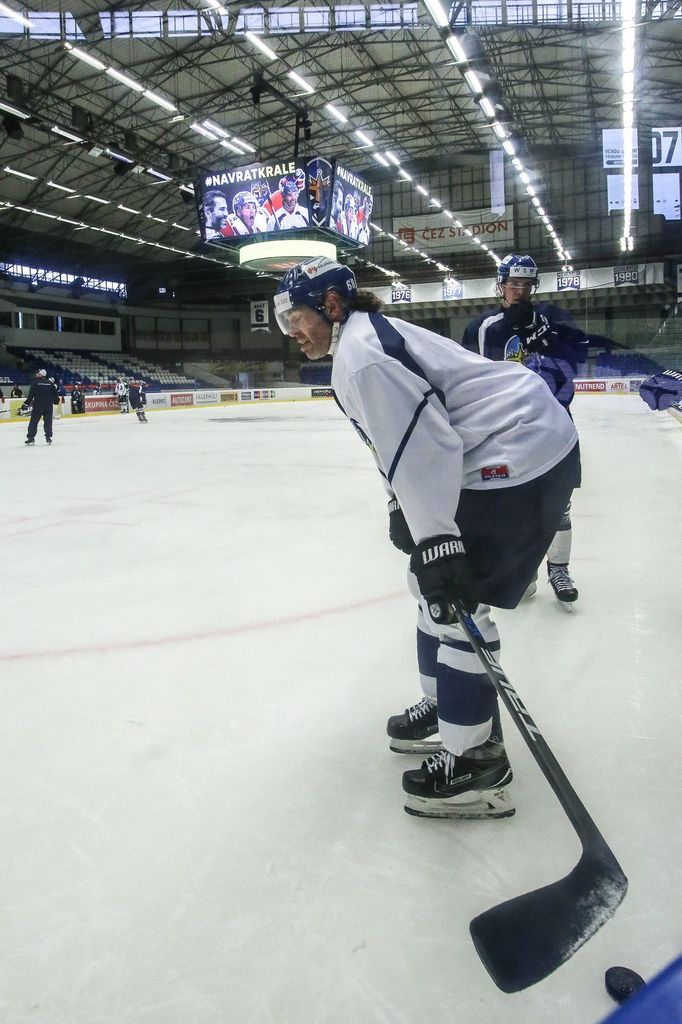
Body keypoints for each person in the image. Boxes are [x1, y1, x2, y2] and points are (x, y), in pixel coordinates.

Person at [274, 257, 580, 819]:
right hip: (508, 440)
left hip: (519, 450)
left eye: (295, 317)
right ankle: (446, 711)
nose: (291, 332)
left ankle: (475, 763)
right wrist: (404, 507)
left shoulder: (362, 357)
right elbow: (397, 439)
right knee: (426, 582)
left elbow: (427, 443)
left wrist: (438, 537)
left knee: (455, 600)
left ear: (331, 306)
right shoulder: (361, 342)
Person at [462, 254, 588, 610]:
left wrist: (542, 338)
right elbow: (477, 384)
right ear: (500, 285)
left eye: (526, 285)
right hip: (509, 432)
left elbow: (568, 373)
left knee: (560, 507)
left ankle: (559, 570)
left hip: (555, 429)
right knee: (517, 507)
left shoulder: (551, 322)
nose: (519, 291)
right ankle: (526, 572)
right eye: (513, 284)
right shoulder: (484, 327)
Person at [22, 369, 58, 445]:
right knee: (48, 422)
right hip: (48, 407)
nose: (36, 374)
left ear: (41, 375)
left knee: (33, 422)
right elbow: (56, 397)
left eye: (38, 373)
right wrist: (55, 401)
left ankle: (31, 438)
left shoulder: (35, 384)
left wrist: (25, 404)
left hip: (38, 407)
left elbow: (30, 396)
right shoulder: (51, 384)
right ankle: (48, 437)